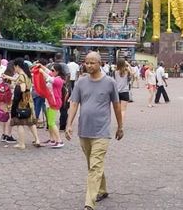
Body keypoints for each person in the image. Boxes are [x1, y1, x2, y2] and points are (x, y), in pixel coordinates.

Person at [65, 51, 124, 210]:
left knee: (95, 165)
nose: (89, 65)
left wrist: (120, 126)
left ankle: (89, 203)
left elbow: (117, 106)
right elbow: (74, 104)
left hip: (102, 131)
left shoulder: (110, 82)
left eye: (92, 63)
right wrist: (69, 124)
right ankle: (102, 189)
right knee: (93, 164)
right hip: (84, 130)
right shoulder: (80, 82)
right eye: (87, 62)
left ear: (100, 64)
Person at [9, 59, 42, 149]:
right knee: (30, 122)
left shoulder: (22, 76)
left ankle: (21, 143)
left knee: (20, 123)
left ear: (17, 66)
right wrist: (8, 77)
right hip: (29, 100)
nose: (14, 69)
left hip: (22, 102)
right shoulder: (27, 75)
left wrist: (19, 88)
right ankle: (37, 139)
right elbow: (17, 80)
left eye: (14, 67)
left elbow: (22, 89)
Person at [44, 63, 65, 148]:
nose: (51, 71)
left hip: (54, 102)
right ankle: (52, 139)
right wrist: (42, 67)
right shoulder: (54, 76)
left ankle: (59, 140)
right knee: (49, 122)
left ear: (58, 71)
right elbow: (48, 72)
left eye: (53, 70)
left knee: (52, 122)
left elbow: (48, 77)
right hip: (50, 102)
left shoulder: (58, 80)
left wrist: (41, 71)